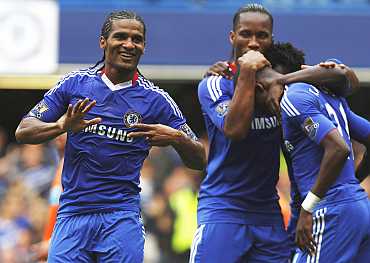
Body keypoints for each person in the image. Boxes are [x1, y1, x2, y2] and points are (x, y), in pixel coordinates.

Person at [15, 10, 205, 263]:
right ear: (103, 42)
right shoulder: (75, 84)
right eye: (121, 37)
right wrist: (61, 125)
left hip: (121, 218)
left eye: (136, 39)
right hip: (73, 215)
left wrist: (177, 139)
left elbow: (200, 159)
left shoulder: (157, 100)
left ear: (144, 47)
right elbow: (24, 130)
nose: (129, 44)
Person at [251, 59, 370, 261]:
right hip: (357, 208)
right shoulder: (327, 94)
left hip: (331, 211)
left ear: (259, 88)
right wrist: (352, 184)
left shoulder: (292, 97)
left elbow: (338, 148)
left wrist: (309, 207)